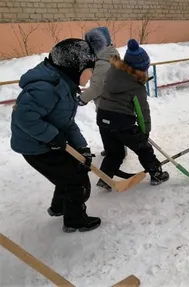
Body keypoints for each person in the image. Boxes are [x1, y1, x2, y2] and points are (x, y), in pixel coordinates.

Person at [10, 38, 101, 233]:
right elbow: (24, 117)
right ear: (75, 68)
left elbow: (66, 121)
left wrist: (81, 147)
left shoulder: (65, 85)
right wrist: (52, 136)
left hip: (46, 141)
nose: (91, 76)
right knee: (74, 178)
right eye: (90, 70)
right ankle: (75, 220)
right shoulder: (47, 88)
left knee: (70, 169)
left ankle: (59, 206)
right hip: (35, 146)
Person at [96, 39, 169, 191]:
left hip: (102, 117)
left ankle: (105, 179)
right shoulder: (136, 86)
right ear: (139, 69)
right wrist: (145, 132)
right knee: (143, 149)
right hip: (122, 122)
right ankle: (156, 174)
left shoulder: (113, 72)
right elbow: (142, 112)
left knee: (114, 153)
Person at [77, 26, 127, 158]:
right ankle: (116, 149)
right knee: (114, 130)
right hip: (115, 103)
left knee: (107, 130)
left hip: (107, 106)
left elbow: (97, 87)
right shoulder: (112, 56)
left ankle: (114, 152)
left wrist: (82, 99)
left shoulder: (102, 63)